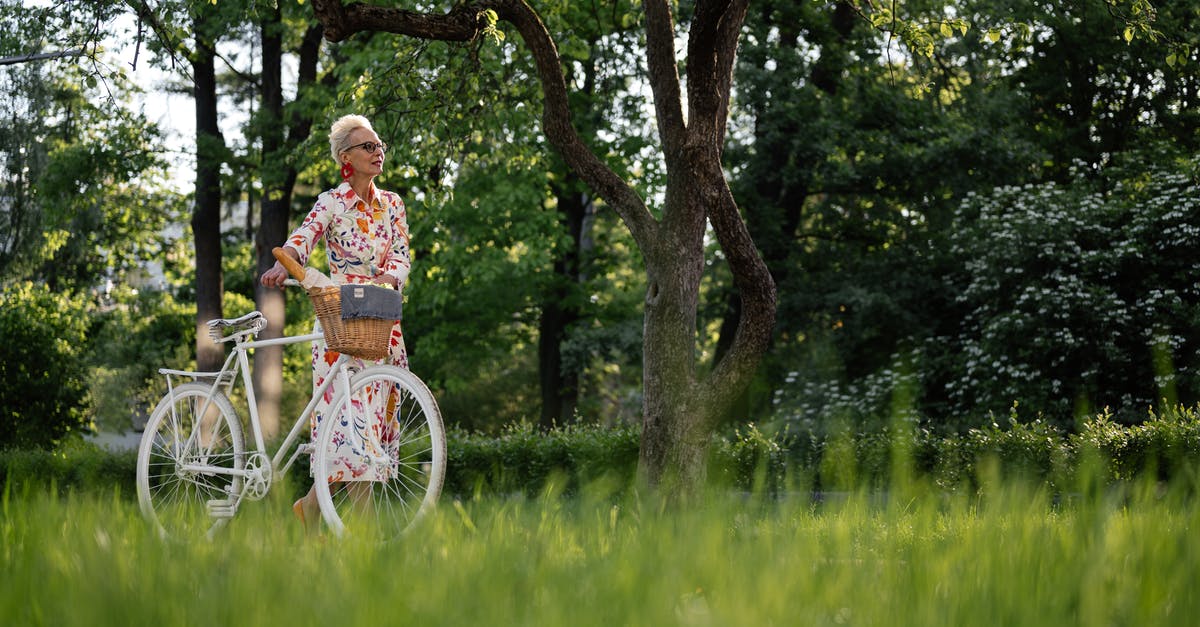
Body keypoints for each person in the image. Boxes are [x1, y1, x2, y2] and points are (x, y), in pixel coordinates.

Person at [260, 114, 411, 532]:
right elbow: (303, 238)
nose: (378, 151)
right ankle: (363, 540)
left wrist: (387, 278)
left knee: (371, 433)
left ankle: (310, 509)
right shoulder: (331, 202)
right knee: (349, 430)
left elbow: (402, 255)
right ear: (346, 157)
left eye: (380, 145)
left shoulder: (392, 203)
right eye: (368, 146)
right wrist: (284, 265)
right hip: (340, 323)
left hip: (382, 322)